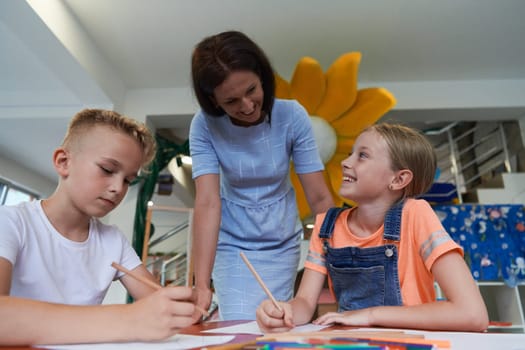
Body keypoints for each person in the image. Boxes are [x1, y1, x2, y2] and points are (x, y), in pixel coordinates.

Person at [256, 123, 489, 332]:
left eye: (363, 156)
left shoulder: (416, 214)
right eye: (350, 154)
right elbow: (305, 304)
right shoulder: (326, 225)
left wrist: (369, 315)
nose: (345, 163)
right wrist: (284, 311)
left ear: (398, 180)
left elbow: (473, 314)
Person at [0, 109, 198, 346]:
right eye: (107, 169)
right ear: (64, 162)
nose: (118, 188)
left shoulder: (112, 240)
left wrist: (180, 306)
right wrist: (129, 319)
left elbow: (161, 302)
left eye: (128, 180)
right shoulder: (11, 222)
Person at [189, 30, 334, 321]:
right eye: (231, 101)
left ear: (263, 76)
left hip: (281, 242)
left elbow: (319, 198)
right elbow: (207, 203)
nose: (247, 106)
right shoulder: (204, 126)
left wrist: (337, 262)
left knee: (275, 322)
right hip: (232, 243)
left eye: (252, 90)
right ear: (213, 100)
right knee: (239, 322)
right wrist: (200, 284)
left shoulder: (292, 116)